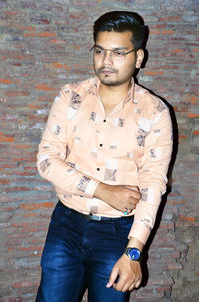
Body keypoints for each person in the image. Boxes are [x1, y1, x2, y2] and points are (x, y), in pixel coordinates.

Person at [36, 11, 173, 302]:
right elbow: (47, 161)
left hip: (118, 233)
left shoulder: (155, 112)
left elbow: (153, 185)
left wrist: (134, 252)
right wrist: (102, 191)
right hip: (66, 225)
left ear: (139, 58)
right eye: (99, 51)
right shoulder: (71, 96)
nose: (106, 61)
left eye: (118, 52)